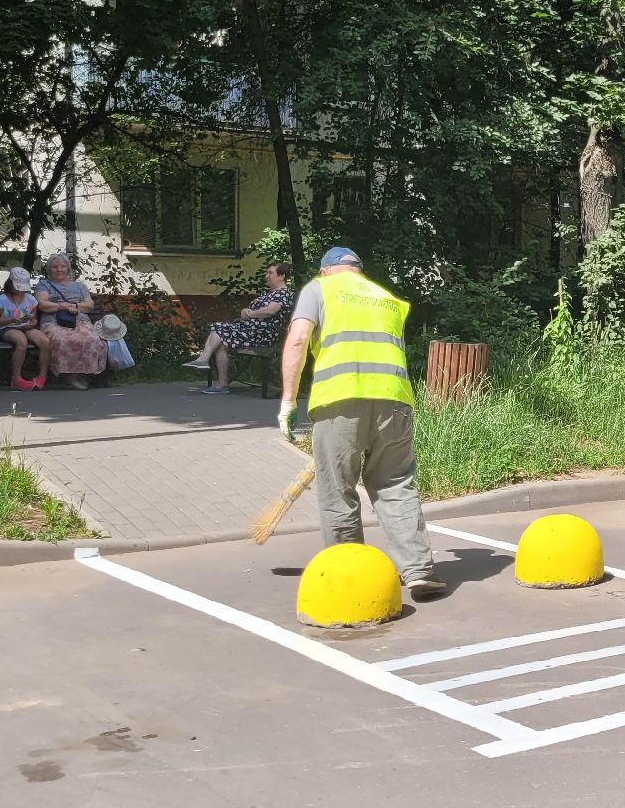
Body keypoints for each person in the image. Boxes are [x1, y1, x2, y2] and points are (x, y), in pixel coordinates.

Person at [279, 247, 444, 600]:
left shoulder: (319, 289)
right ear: (359, 270)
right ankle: (418, 571)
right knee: (395, 485)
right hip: (395, 401)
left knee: (338, 490)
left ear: (325, 270)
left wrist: (288, 401)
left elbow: (298, 339)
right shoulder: (386, 298)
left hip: (340, 401)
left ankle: (350, 576)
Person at [184, 262, 294, 394]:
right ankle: (221, 384)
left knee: (218, 327)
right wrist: (245, 311)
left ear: (281, 276)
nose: (266, 276)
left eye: (270, 273)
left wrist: (251, 314)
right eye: (266, 273)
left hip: (261, 336)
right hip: (248, 331)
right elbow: (254, 311)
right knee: (220, 341)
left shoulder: (283, 293)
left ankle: (204, 360)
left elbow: (270, 310)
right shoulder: (268, 293)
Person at [34, 252, 106, 390]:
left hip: (79, 320)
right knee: (62, 339)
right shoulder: (44, 284)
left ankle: (77, 376)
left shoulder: (79, 286)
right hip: (54, 321)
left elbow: (89, 305)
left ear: (68, 268)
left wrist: (75, 306)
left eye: (62, 266)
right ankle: (69, 377)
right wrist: (63, 306)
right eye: (55, 267)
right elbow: (42, 304)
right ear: (49, 269)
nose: (59, 269)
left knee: (91, 339)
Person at [0, 266, 49, 392]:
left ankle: (42, 376)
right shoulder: (2, 300)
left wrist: (32, 322)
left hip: (25, 327)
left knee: (45, 341)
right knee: (21, 341)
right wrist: (11, 320)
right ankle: (16, 379)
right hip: (6, 327)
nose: (20, 290)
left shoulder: (31, 300)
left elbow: (34, 319)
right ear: (10, 283)